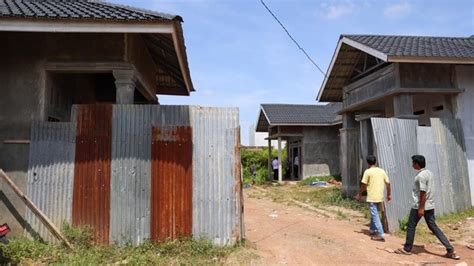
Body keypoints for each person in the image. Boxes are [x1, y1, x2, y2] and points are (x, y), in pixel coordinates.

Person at [395, 155, 460, 260]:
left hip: (420, 205)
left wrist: (421, 208)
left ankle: (407, 249)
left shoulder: (420, 176)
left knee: (411, 226)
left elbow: (423, 192)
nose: (412, 165)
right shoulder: (429, 173)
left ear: (417, 164)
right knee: (433, 227)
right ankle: (450, 249)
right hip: (430, 205)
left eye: (413, 163)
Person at [355, 155, 391, 241]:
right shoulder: (382, 171)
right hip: (380, 197)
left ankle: (380, 233)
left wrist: (359, 194)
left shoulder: (368, 172)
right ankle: (371, 230)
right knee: (374, 214)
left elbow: (364, 185)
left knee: (375, 215)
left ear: (368, 163)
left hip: (372, 197)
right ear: (375, 162)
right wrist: (389, 195)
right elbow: (388, 183)